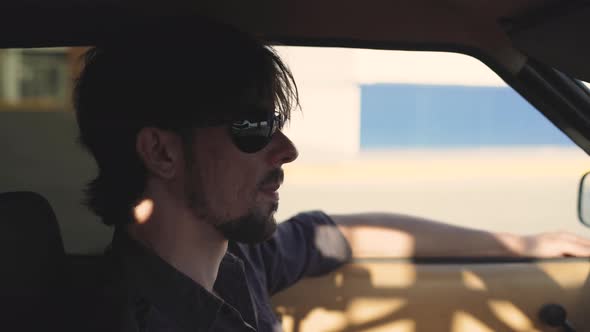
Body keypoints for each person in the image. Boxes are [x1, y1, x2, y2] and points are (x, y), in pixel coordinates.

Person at [72, 17, 590, 331]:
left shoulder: (237, 261)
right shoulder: (135, 321)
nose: (287, 150)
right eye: (253, 127)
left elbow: (343, 234)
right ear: (162, 152)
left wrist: (519, 245)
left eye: (277, 123)